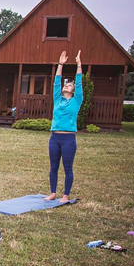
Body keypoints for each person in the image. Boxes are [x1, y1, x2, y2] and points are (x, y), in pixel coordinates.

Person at [46, 50, 83, 203]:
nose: (66, 85)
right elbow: (56, 81)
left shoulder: (76, 100)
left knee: (67, 168)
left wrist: (79, 65)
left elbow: (79, 83)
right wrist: (60, 64)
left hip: (68, 139)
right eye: (66, 84)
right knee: (53, 167)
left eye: (69, 85)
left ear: (73, 91)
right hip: (54, 137)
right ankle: (53, 193)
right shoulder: (58, 98)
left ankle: (66, 195)